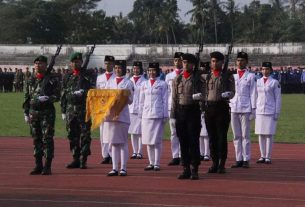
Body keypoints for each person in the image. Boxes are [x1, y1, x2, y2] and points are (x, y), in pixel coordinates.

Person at [23, 55, 61, 175]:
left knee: (47, 139)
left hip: (47, 113)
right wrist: (26, 112)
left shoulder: (52, 79)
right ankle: (38, 165)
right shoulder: (30, 79)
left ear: (45, 65)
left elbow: (58, 95)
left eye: (40, 63)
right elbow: (26, 97)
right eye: (36, 63)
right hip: (34, 113)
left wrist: (48, 98)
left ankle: (47, 165)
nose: (37, 65)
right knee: (36, 139)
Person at [171, 53, 205, 180]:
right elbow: (174, 99)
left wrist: (200, 96)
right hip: (180, 112)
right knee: (183, 141)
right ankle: (185, 167)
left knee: (193, 141)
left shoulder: (198, 78)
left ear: (193, 65)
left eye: (187, 63)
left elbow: (205, 93)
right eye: (183, 62)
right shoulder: (177, 79)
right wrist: (173, 116)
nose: (185, 65)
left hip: (193, 111)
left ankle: (194, 168)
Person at [203, 51, 235, 174]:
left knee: (222, 137)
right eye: (212, 61)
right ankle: (214, 162)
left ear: (222, 62)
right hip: (209, 109)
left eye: (216, 61)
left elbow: (232, 92)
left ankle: (222, 163)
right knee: (212, 138)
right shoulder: (207, 76)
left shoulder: (227, 75)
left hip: (222, 108)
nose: (214, 63)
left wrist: (228, 94)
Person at [61, 52, 93, 169]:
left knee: (85, 135)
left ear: (81, 62)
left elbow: (93, 89)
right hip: (70, 110)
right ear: (70, 63)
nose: (76, 63)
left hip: (84, 109)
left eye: (78, 62)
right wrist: (63, 110)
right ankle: (75, 158)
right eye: (74, 62)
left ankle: (83, 159)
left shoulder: (88, 75)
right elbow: (63, 94)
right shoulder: (67, 76)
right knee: (72, 135)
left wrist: (83, 92)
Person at [104, 60, 134, 176]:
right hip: (111, 116)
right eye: (116, 68)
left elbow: (130, 100)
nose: (117, 70)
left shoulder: (128, 83)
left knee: (122, 143)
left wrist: (123, 96)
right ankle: (114, 167)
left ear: (124, 69)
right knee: (113, 143)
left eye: (119, 68)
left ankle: (123, 168)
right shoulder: (110, 82)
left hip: (122, 116)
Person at [139, 62, 168, 172]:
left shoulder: (163, 84)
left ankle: (157, 163)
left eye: (153, 70)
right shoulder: (144, 84)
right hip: (146, 115)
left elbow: (165, 100)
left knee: (157, 141)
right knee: (148, 140)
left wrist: (165, 115)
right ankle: (151, 163)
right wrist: (141, 114)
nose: (151, 72)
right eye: (150, 70)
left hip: (157, 114)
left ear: (158, 71)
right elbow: (141, 101)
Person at [230, 52, 257, 169]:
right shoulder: (232, 76)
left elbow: (253, 94)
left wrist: (253, 110)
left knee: (245, 135)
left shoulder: (251, 76)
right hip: (234, 107)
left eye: (242, 60)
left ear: (246, 62)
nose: (239, 62)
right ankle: (238, 159)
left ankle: (246, 159)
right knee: (236, 136)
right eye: (238, 60)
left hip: (246, 108)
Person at [255, 62, 281, 164]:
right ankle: (262, 156)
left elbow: (278, 98)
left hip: (270, 110)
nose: (265, 71)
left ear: (270, 70)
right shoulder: (258, 82)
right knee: (260, 134)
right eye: (263, 69)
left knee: (269, 134)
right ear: (261, 70)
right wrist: (254, 109)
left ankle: (268, 156)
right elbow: (255, 96)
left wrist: (277, 112)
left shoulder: (275, 82)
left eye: (267, 69)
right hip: (260, 110)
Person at [96, 55, 115, 164]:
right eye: (106, 63)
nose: (108, 65)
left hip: (112, 109)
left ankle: (113, 154)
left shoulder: (116, 78)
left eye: (110, 63)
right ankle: (105, 155)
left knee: (111, 133)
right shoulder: (100, 78)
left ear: (113, 65)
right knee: (102, 133)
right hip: (102, 109)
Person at [165, 52, 184, 166]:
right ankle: (175, 156)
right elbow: (166, 93)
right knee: (173, 132)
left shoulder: (187, 74)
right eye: (176, 60)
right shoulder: (169, 76)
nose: (178, 62)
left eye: (180, 60)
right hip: (171, 106)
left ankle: (183, 155)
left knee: (183, 132)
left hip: (183, 106)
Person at [128, 61, 146, 159]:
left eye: (137, 68)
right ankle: (134, 151)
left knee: (139, 132)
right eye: (134, 68)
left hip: (140, 109)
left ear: (140, 69)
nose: (135, 70)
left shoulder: (144, 81)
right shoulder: (129, 80)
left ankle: (140, 151)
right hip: (131, 109)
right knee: (132, 132)